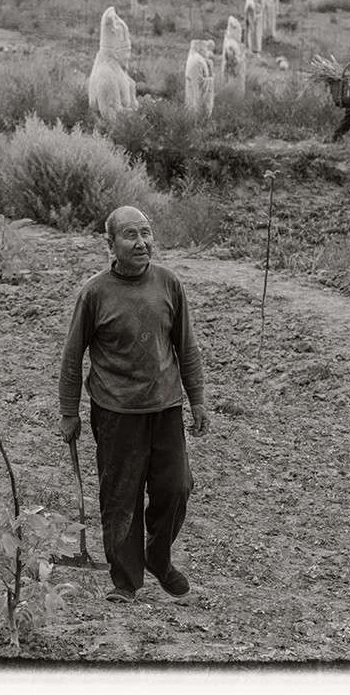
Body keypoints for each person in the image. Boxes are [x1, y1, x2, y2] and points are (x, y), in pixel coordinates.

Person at [58, 206, 210, 604]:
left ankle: (157, 556)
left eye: (146, 233)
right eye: (130, 235)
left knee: (177, 487)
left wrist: (198, 401)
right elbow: (72, 356)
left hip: (165, 407)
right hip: (115, 411)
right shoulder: (95, 292)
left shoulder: (169, 284)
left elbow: (186, 347)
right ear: (111, 244)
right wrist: (69, 411)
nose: (141, 242)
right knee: (120, 495)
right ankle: (126, 581)